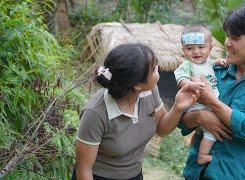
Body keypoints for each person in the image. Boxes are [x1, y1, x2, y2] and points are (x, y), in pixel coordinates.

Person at [178, 6, 245, 179]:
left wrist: (211, 102)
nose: (227, 42)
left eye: (234, 38)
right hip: (195, 174)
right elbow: (182, 120)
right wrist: (199, 116)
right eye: (228, 36)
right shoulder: (214, 72)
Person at [72, 43, 199, 180]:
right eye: (154, 70)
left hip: (134, 175)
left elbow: (161, 129)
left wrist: (177, 107)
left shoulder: (149, 90)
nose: (158, 69)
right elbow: (84, 169)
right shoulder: (96, 113)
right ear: (137, 85)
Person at [174, 24, 227, 165]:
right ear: (183, 50)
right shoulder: (187, 65)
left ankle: (197, 146)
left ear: (210, 48)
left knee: (207, 131)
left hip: (211, 106)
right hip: (199, 107)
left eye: (201, 47)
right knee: (210, 133)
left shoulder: (208, 63)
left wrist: (218, 61)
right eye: (189, 48)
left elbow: (212, 62)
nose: (196, 52)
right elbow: (180, 78)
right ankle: (202, 155)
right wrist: (191, 84)